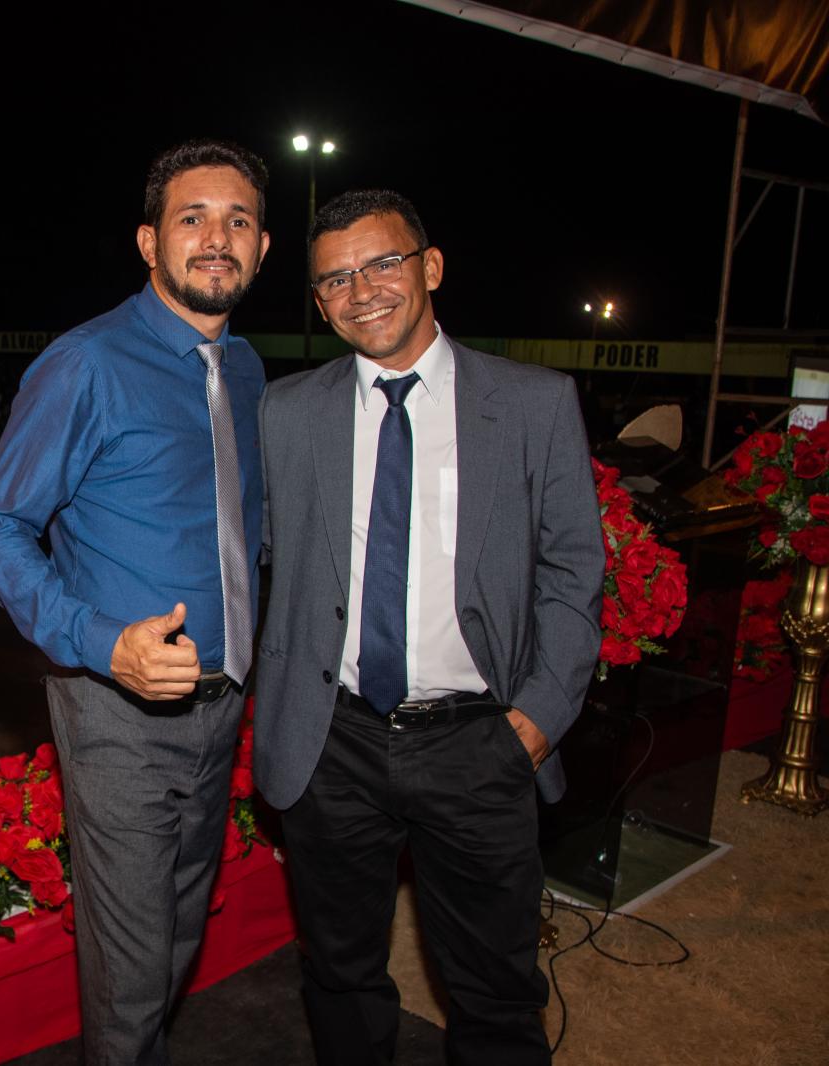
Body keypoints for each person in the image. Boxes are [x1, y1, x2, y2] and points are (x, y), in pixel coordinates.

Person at [256, 189, 603, 1066]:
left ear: (430, 267)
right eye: (334, 278)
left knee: (493, 989)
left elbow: (575, 572)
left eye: (382, 264)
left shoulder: (533, 403)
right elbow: (242, 553)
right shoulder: (287, 412)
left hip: (479, 740)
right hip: (331, 744)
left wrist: (534, 723)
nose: (361, 289)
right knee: (339, 975)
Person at [0, 138, 271, 1065]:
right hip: (120, 713)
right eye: (192, 218)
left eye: (239, 221)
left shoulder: (249, 367)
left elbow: (245, 530)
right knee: (133, 974)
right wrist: (102, 643)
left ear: (262, 250)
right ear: (149, 242)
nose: (216, 238)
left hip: (222, 707)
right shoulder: (87, 363)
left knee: (177, 939)